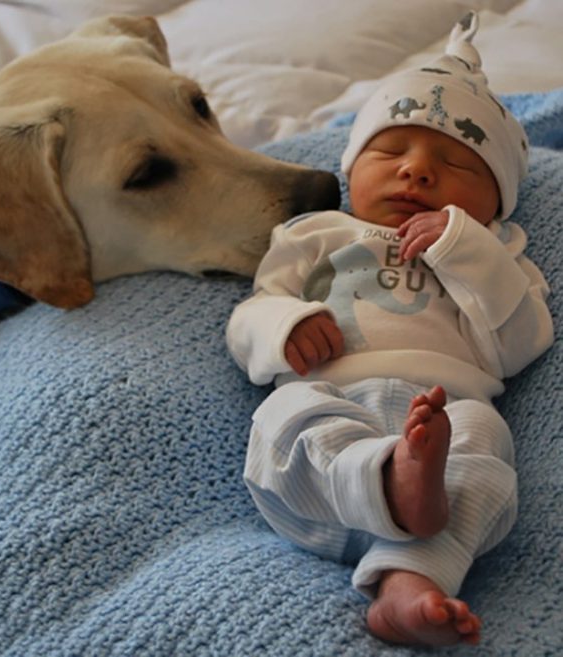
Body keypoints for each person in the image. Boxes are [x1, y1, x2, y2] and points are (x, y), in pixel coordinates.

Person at [225, 12, 554, 648]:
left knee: (486, 440)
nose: (416, 172)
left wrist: (465, 249)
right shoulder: (316, 234)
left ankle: (408, 584)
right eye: (390, 151)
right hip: (330, 410)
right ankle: (384, 479)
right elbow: (250, 315)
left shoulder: (498, 254)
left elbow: (520, 344)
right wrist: (285, 323)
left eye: (457, 162)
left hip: (444, 412)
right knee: (285, 416)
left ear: (496, 202)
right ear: (352, 171)